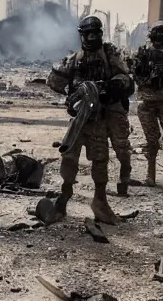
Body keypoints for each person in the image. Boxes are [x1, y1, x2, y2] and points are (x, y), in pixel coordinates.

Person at [44, 15, 134, 223]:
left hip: (99, 118)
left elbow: (126, 79)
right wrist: (73, 94)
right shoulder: (75, 58)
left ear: (101, 34)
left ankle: (100, 201)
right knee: (69, 158)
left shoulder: (109, 54)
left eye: (96, 33)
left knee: (100, 160)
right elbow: (54, 81)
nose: (92, 37)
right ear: (82, 35)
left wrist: (106, 88)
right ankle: (63, 199)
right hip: (80, 119)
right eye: (88, 34)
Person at [133, 20, 163, 186]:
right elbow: (136, 75)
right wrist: (148, 78)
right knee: (152, 140)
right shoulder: (144, 54)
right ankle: (151, 174)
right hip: (148, 101)